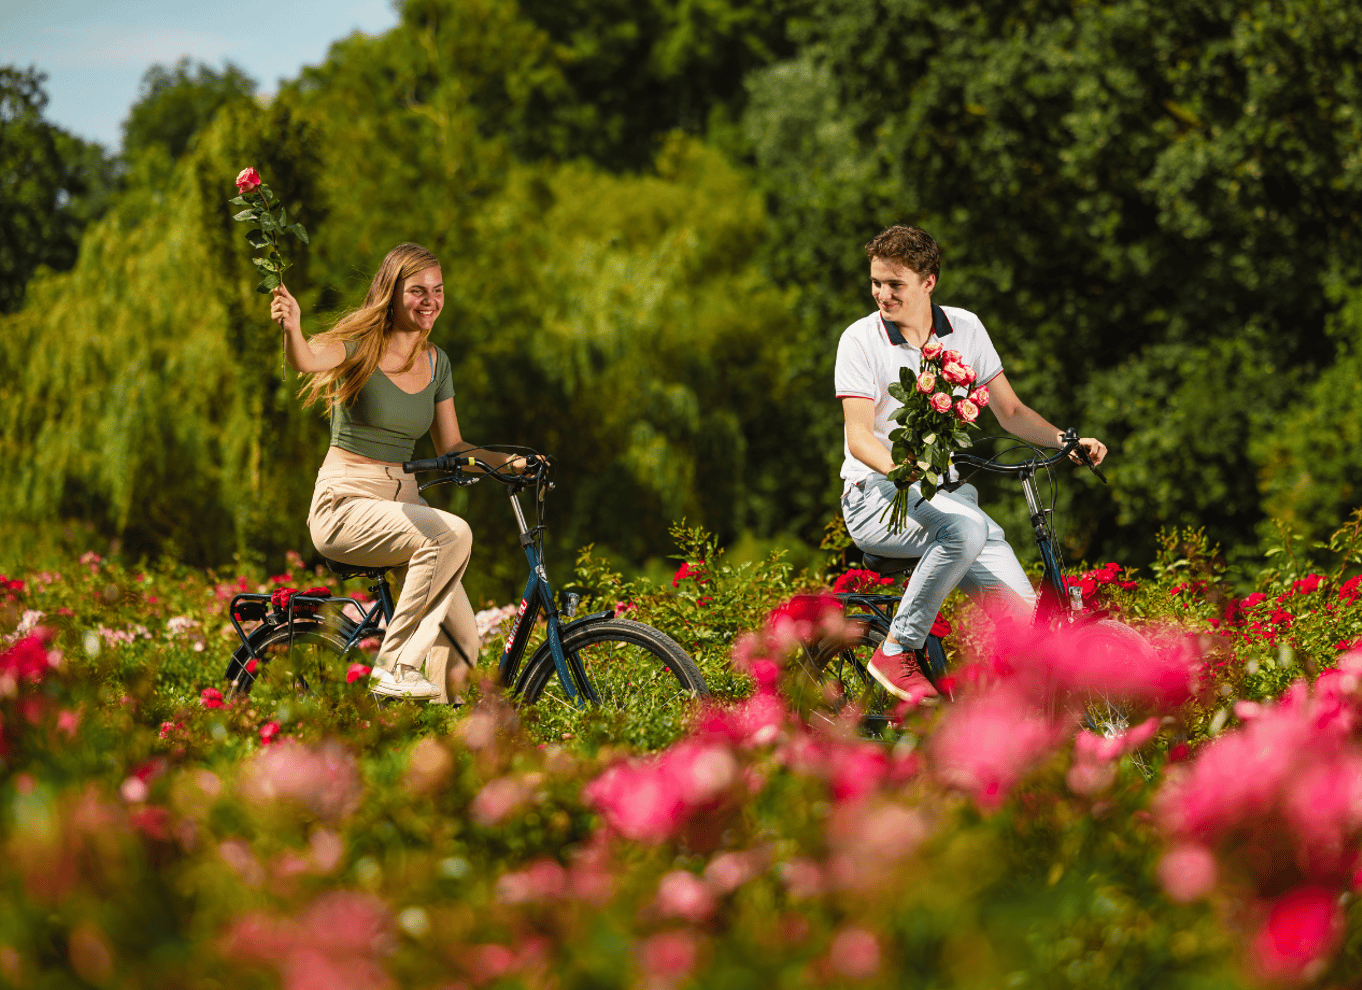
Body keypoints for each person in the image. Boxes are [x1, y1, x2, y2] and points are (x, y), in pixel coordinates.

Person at [836, 225, 1107, 705]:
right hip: (876, 496)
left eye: (895, 284)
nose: (882, 294)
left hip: (946, 500)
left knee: (1028, 632)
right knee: (966, 528)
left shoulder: (965, 328)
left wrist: (1067, 441)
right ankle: (896, 649)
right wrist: (905, 470)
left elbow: (1011, 412)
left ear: (928, 282)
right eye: (876, 282)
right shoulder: (860, 339)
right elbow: (859, 439)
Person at [270, 242, 531, 702]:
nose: (430, 300)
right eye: (417, 291)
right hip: (347, 502)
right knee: (452, 533)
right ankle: (394, 667)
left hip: (405, 507)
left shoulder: (437, 362)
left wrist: (510, 463)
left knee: (461, 644)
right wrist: (292, 327)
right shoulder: (358, 346)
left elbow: (453, 446)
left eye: (438, 289)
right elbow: (305, 359)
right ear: (391, 294)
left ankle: (431, 738)